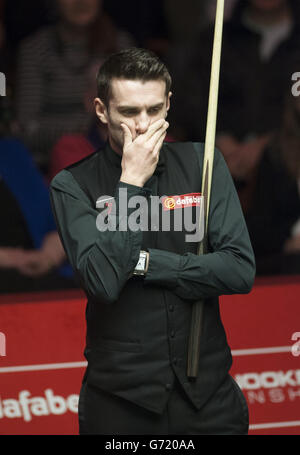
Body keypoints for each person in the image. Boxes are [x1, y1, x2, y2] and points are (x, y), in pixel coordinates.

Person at [50, 48, 255, 435]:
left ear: (168, 104)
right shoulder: (72, 185)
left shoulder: (204, 164)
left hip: (208, 402)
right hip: (120, 407)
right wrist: (130, 182)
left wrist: (146, 263)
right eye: (128, 112)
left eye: (154, 110)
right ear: (101, 110)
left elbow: (239, 270)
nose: (143, 126)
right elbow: (104, 282)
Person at [15, 0, 134, 173]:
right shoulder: (35, 49)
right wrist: (88, 127)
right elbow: (25, 128)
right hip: (53, 166)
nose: (81, 2)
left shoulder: (121, 44)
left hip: (119, 159)